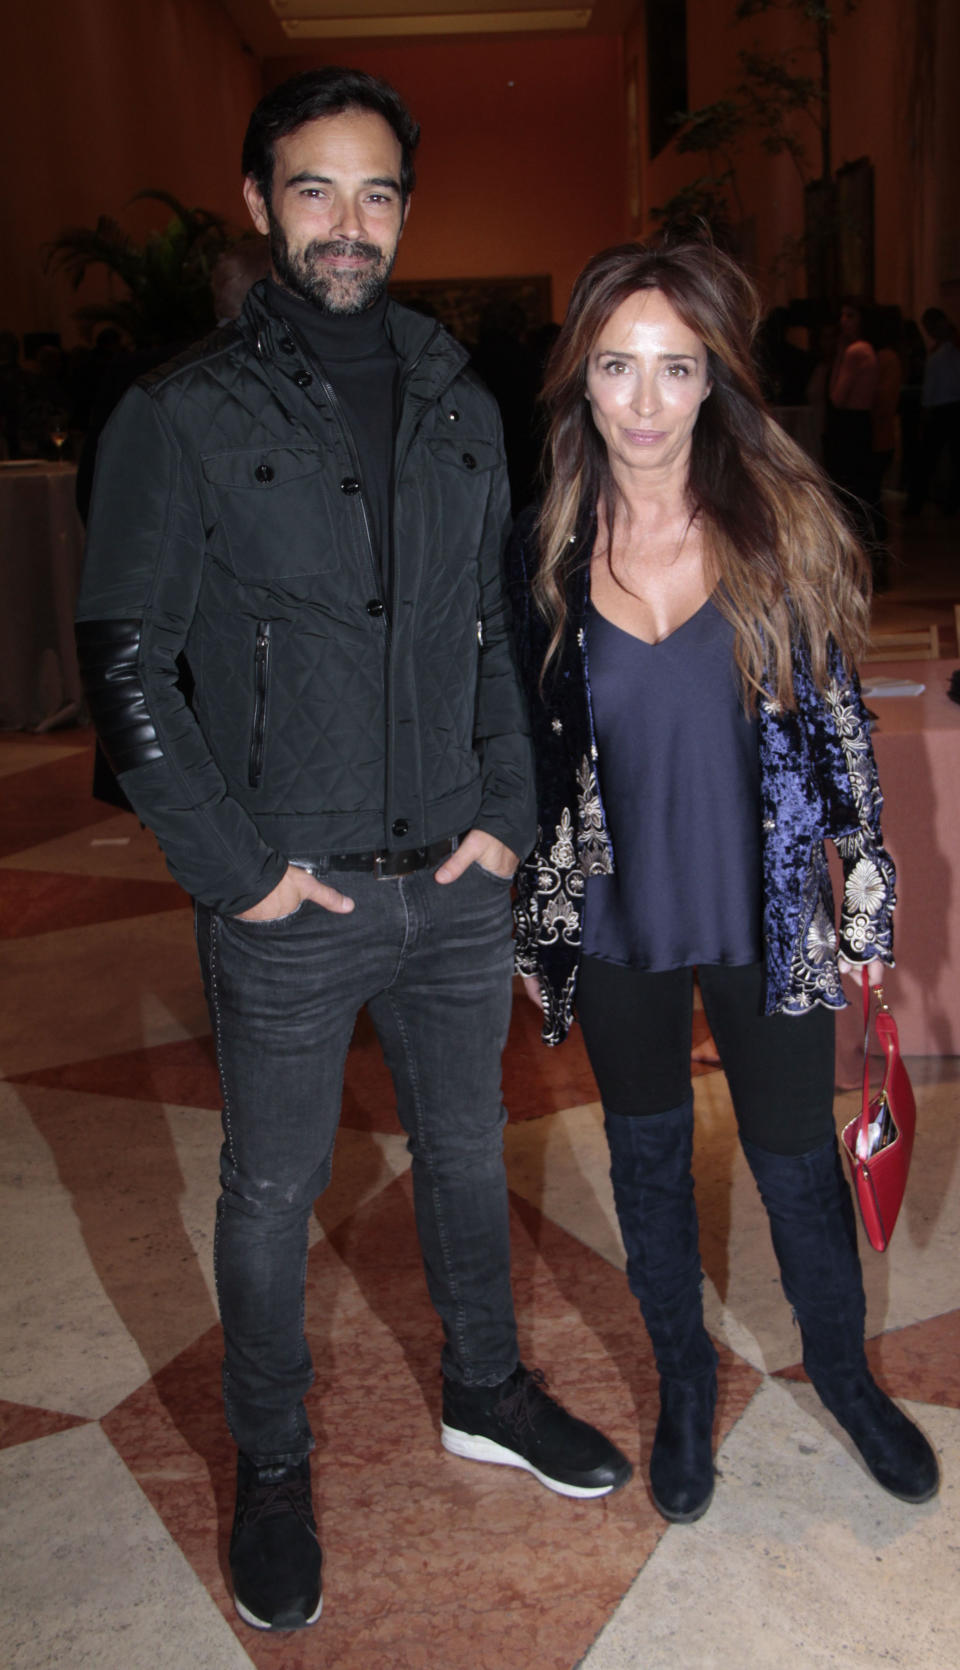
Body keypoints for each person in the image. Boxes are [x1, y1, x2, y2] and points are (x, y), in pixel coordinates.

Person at [75, 68, 629, 1635]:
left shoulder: (462, 401)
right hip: (291, 894)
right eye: (314, 189)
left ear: (406, 209)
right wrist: (237, 868)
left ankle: (486, 1386)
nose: (348, 224)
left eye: (378, 192)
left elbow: (488, 626)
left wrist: (506, 816)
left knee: (469, 1155)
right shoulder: (176, 413)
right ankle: (269, 1463)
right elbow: (124, 660)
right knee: (270, 1192)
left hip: (452, 881)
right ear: (259, 203)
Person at [505, 238, 939, 1527]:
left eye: (674, 369)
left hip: (767, 916)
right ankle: (684, 1387)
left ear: (713, 384)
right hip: (621, 919)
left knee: (797, 1163)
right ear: (582, 381)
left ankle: (847, 1379)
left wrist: (866, 901)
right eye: (618, 368)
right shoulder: (542, 550)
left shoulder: (776, 529)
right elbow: (521, 743)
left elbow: (841, 733)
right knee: (646, 1168)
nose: (644, 402)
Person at [906, 306, 960, 516]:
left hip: (952, 406)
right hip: (937, 408)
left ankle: (950, 504)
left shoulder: (954, 345)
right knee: (926, 460)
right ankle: (915, 504)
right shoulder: (936, 349)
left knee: (950, 460)